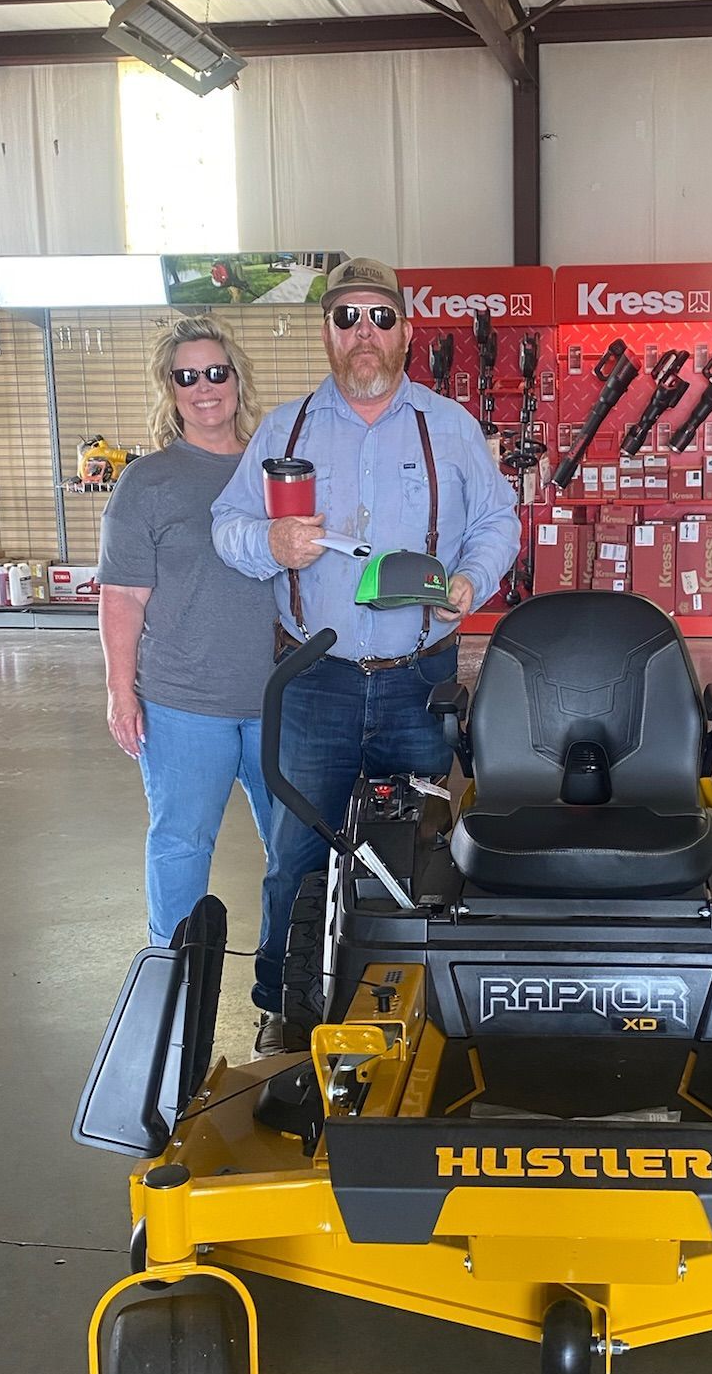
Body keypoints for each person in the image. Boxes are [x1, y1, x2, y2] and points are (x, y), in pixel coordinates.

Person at [212, 255, 520, 1042]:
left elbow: (498, 523)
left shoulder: (449, 428)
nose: (363, 334)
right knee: (297, 853)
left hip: (422, 681)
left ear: (406, 333)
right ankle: (285, 1007)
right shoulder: (284, 430)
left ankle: (400, 1005)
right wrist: (271, 540)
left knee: (413, 850)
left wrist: (472, 578)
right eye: (346, 317)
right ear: (327, 332)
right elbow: (228, 526)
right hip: (315, 680)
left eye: (379, 318)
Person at [98, 314, 280, 961]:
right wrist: (122, 692)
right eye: (187, 376)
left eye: (215, 372)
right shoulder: (148, 482)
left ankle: (286, 979)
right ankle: (171, 979)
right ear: (169, 389)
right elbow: (122, 596)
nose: (204, 387)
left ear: (237, 379)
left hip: (281, 703)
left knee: (295, 853)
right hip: (182, 703)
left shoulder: (278, 470)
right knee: (180, 842)